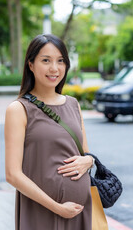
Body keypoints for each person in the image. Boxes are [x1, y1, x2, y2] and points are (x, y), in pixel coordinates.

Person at [5, 34, 95, 230]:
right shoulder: (19, 109)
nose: (54, 68)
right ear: (30, 64)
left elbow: (85, 153)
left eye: (60, 61)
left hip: (80, 212)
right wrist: (57, 208)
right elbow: (12, 174)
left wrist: (90, 161)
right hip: (42, 213)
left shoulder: (73, 104)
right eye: (46, 60)